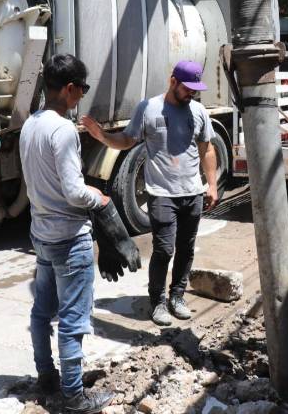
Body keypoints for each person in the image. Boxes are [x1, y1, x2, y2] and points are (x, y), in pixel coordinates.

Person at [81, 60, 219, 326]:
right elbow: (127, 140)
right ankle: (158, 301)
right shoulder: (148, 108)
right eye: (187, 88)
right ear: (172, 81)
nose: (191, 93)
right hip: (161, 193)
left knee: (186, 248)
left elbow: (207, 149)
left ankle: (177, 296)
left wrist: (211, 185)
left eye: (195, 89)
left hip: (193, 193)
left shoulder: (199, 111)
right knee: (164, 249)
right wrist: (103, 137)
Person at [20, 54, 114, 414]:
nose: (82, 96)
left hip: (42, 234)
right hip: (69, 237)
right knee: (74, 321)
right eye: (82, 89)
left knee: (42, 312)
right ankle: (74, 396)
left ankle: (47, 378)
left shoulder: (31, 124)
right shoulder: (62, 130)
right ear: (69, 88)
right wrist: (99, 198)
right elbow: (74, 192)